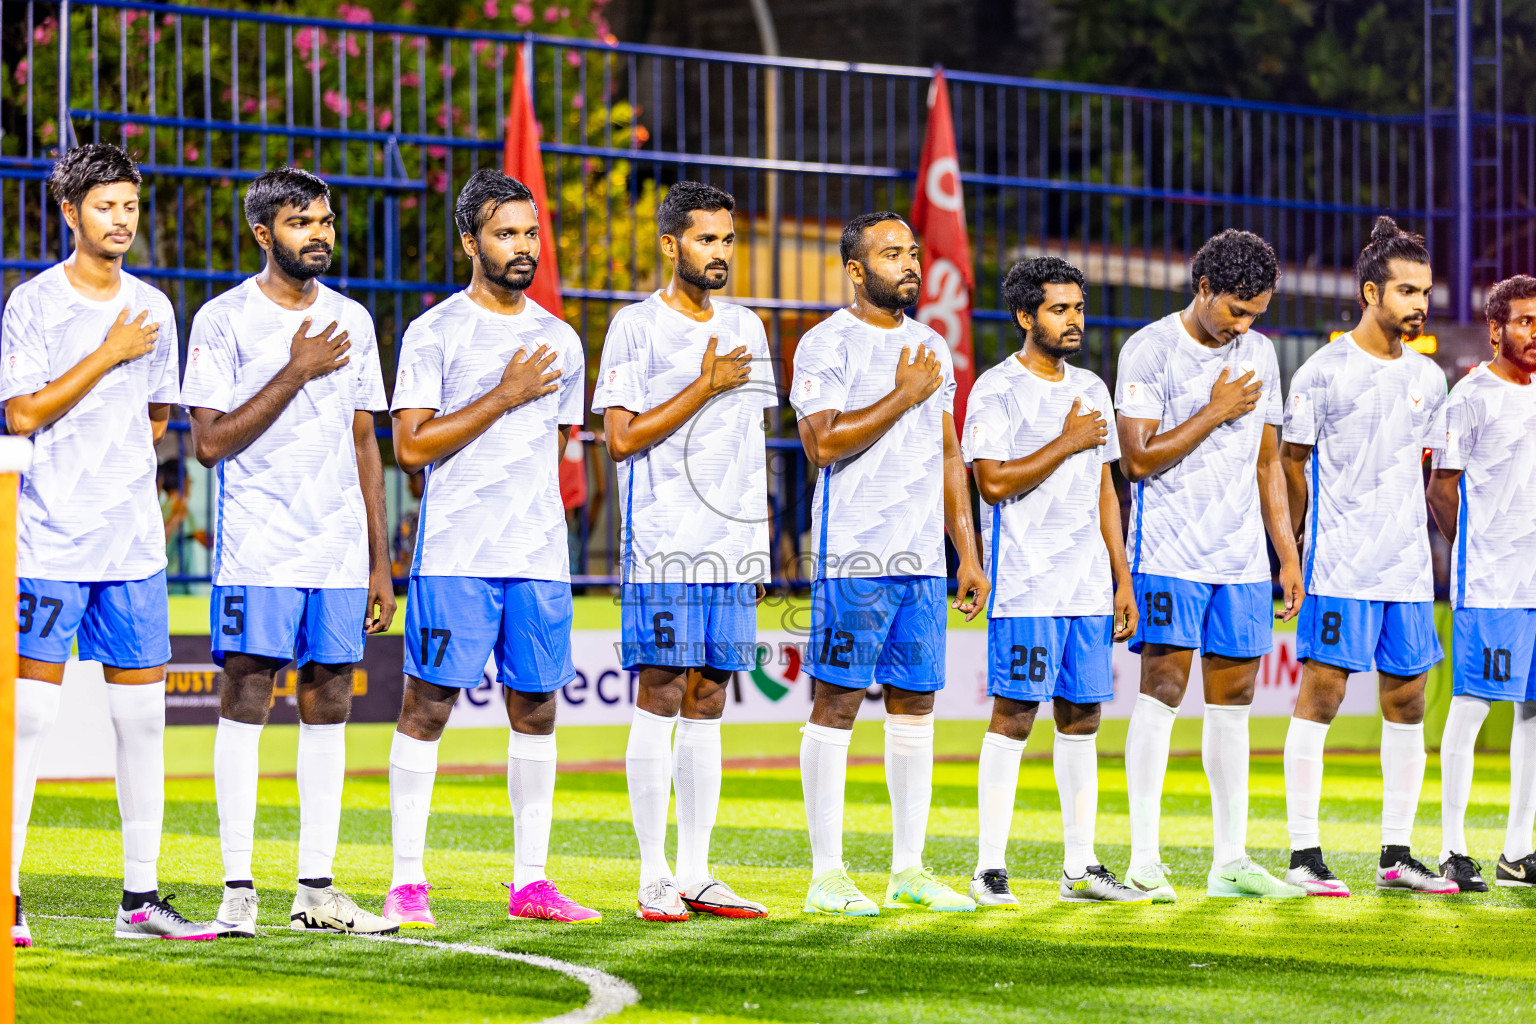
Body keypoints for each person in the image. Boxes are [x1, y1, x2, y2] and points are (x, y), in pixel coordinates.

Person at [0, 142, 214, 944]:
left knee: (143, 723)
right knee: (26, 720)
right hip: (50, 540)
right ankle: (5, 894)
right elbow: (21, 415)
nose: (121, 220)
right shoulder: (34, 303)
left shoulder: (156, 309)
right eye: (104, 207)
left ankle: (140, 902)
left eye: (129, 206)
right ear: (69, 212)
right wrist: (105, 354)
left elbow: (157, 420)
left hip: (131, 549)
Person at [184, 166, 399, 936]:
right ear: (262, 232)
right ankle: (237, 886)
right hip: (260, 550)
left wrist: (379, 559)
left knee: (331, 701)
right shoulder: (223, 319)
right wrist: (295, 368)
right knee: (246, 695)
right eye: (302, 221)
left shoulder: (353, 318)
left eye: (326, 220)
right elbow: (208, 443)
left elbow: (364, 440)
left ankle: (316, 890)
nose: (319, 234)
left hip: (338, 553)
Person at [384, 169, 599, 927]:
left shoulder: (561, 339)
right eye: (505, 233)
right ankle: (406, 883)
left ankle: (531, 883)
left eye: (531, 233)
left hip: (537, 555)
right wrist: (502, 394)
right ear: (470, 240)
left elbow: (560, 445)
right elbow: (410, 448)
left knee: (536, 710)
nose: (522, 247)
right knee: (428, 707)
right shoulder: (434, 331)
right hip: (455, 555)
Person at [790, 211, 989, 917]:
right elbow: (822, 443)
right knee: (837, 701)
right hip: (854, 556)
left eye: (912, 252)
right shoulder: (825, 344)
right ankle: (826, 874)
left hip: (920, 564)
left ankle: (908, 868)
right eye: (892, 253)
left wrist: (965, 551)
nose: (910, 263)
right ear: (854, 269)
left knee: (915, 705)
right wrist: (901, 393)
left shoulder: (932, 344)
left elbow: (946, 453)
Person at [591, 180, 775, 921]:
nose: (720, 253)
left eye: (728, 240)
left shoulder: (750, 328)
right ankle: (652, 874)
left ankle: (699, 872)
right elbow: (621, 438)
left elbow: (749, 443)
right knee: (662, 692)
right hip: (665, 547)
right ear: (671, 244)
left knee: (709, 699)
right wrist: (702, 384)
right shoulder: (634, 328)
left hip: (730, 550)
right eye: (706, 239)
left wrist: (756, 547)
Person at [1116, 229, 1306, 902]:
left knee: (1235, 706)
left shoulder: (1259, 353)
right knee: (1162, 693)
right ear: (1203, 288)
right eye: (1236, 310)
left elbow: (1267, 463)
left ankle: (1230, 861)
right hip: (1169, 551)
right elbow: (1136, 459)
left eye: (1256, 313)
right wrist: (1215, 408)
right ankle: (1144, 858)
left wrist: (1286, 552)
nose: (1245, 326)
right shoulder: (1149, 349)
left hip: (1241, 562)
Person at [1279, 216, 1457, 895]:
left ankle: (1396, 856)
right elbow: (1292, 465)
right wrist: (1292, 555)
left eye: (1425, 292)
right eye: (1406, 291)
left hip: (1408, 570)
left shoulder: (1430, 377)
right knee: (1320, 698)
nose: (1418, 304)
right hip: (1341, 566)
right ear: (1369, 292)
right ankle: (1303, 856)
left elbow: (1436, 478)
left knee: (1408, 704)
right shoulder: (1323, 372)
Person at [963, 257, 1145, 905]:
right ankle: (989, 868)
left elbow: (1106, 489)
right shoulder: (996, 390)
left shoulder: (1093, 387)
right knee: (1014, 716)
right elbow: (991, 481)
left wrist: (1121, 578)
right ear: (1025, 317)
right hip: (1027, 584)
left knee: (1082, 718)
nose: (1074, 320)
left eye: (1078, 307)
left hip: (1088, 586)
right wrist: (1067, 441)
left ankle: (1080, 868)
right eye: (1059, 309)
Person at [1427, 275, 1536, 892]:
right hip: (1493, 581)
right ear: (1495, 329)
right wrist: (1475, 548)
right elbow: (1442, 490)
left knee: (1534, 712)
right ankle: (1453, 848)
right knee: (1471, 706)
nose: (1534, 332)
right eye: (1523, 320)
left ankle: (1518, 851)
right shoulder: (1470, 396)